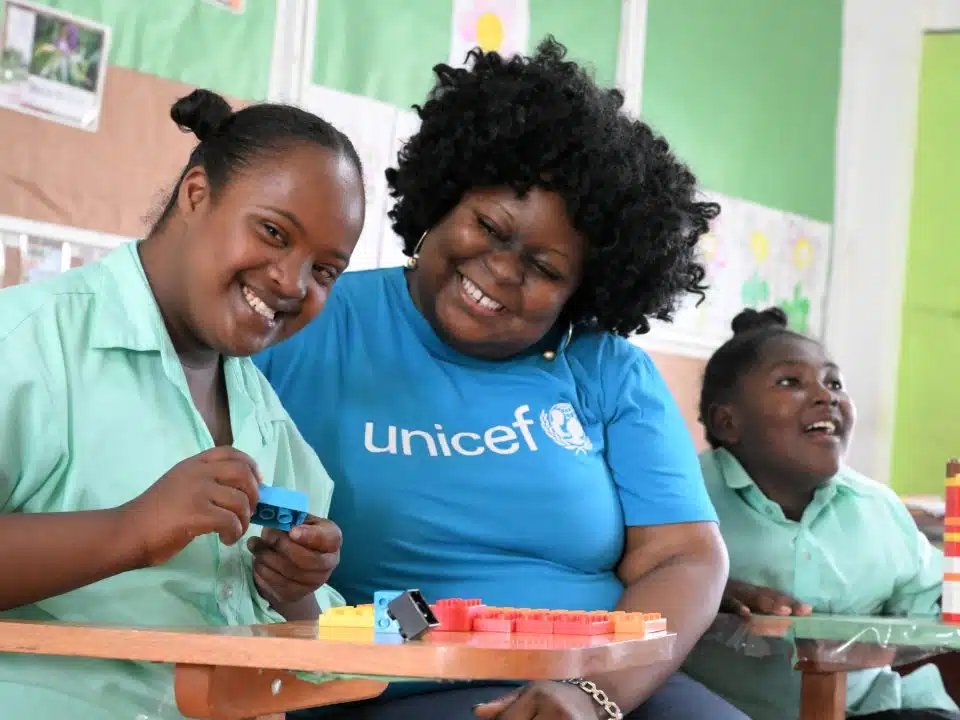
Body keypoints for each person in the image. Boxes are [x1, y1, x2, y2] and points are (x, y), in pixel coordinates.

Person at [257, 38, 745, 720]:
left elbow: (684, 558)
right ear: (443, 197)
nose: (503, 270)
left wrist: (591, 697)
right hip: (395, 681)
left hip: (609, 687)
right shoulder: (308, 322)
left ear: (583, 293)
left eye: (545, 270)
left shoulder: (605, 369)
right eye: (489, 226)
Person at [0, 89, 365, 719]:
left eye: (326, 270)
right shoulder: (30, 345)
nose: (292, 281)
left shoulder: (266, 417)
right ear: (197, 195)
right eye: (274, 232)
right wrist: (131, 529)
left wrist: (297, 595)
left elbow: (303, 642)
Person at [681, 307, 959, 720]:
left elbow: (932, 606)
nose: (825, 396)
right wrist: (707, 590)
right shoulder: (682, 499)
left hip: (869, 709)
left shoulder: (877, 508)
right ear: (728, 422)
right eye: (790, 382)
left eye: (835, 383)